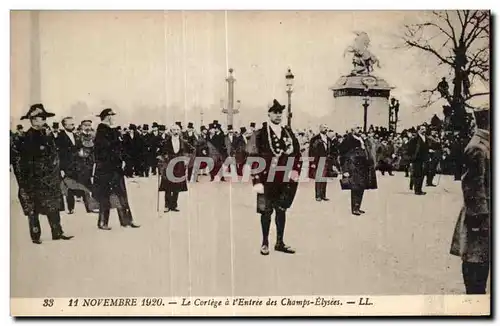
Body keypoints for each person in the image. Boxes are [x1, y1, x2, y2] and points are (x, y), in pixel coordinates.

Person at [248, 99, 302, 255]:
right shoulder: (260, 134)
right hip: (266, 178)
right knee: (266, 211)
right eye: (275, 112)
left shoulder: (288, 132)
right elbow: (253, 157)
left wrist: (295, 170)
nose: (278, 115)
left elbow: (296, 154)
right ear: (268, 114)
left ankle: (280, 242)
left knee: (281, 209)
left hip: (284, 179)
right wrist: (256, 180)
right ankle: (265, 242)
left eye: (280, 113)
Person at [15, 104, 73, 244]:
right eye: (42, 119)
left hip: (50, 178)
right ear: (33, 120)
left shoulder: (46, 135)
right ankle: (35, 236)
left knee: (53, 205)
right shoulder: (27, 138)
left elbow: (53, 154)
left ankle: (57, 232)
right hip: (35, 180)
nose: (44, 121)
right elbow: (24, 162)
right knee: (34, 209)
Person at [450, 104, 490, 294]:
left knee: (482, 258)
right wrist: (478, 218)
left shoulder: (484, 145)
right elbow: (473, 186)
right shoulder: (478, 148)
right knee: (476, 259)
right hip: (480, 216)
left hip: (485, 213)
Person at [93, 108, 140, 230]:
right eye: (112, 116)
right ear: (108, 117)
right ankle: (103, 222)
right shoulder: (102, 131)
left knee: (121, 194)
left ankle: (126, 220)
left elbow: (119, 148)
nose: (113, 117)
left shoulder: (111, 130)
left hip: (115, 168)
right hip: (106, 169)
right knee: (106, 195)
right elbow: (106, 150)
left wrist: (122, 159)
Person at [338, 126, 377, 215]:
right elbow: (342, 155)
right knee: (355, 187)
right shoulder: (348, 140)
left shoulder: (362, 139)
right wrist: (345, 169)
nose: (359, 129)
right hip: (353, 167)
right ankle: (354, 208)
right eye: (357, 128)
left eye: (360, 128)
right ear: (352, 130)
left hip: (363, 167)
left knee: (361, 187)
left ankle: (358, 206)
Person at [158, 124, 191, 212]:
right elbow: (160, 153)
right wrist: (161, 161)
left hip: (179, 165)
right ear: (171, 131)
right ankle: (167, 205)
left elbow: (192, 150)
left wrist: (186, 159)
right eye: (174, 130)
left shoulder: (183, 141)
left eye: (177, 130)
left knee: (177, 185)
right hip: (169, 164)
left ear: (179, 131)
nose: (176, 132)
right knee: (168, 185)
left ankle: (174, 205)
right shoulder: (165, 142)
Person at [308, 124, 331, 201]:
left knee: (324, 178)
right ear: (320, 128)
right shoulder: (315, 139)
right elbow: (311, 152)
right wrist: (312, 163)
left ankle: (323, 195)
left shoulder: (328, 139)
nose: (326, 129)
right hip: (318, 161)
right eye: (324, 128)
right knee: (319, 178)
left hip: (326, 161)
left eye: (326, 128)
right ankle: (318, 196)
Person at [407, 125, 430, 195]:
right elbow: (410, 148)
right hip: (416, 159)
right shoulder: (415, 139)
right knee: (417, 174)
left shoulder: (426, 138)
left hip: (424, 159)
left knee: (422, 174)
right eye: (422, 129)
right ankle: (417, 190)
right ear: (418, 130)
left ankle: (419, 189)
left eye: (425, 129)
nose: (424, 130)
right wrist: (412, 157)